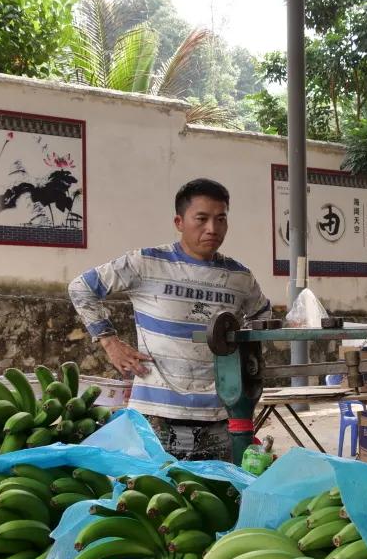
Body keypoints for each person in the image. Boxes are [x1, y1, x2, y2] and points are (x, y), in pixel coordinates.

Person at [68, 178, 271, 461]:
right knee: (155, 499)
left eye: (221, 219)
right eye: (201, 219)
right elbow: (81, 287)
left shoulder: (240, 277)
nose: (212, 228)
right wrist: (110, 343)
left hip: (220, 415)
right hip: (156, 417)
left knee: (218, 499)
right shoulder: (145, 264)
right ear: (179, 221)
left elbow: (263, 316)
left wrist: (241, 366)